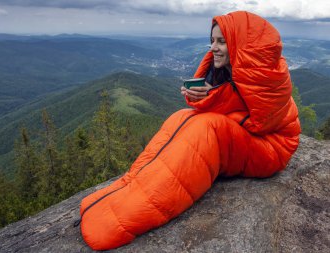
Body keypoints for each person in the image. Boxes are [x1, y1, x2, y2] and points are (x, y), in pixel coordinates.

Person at [77, 11, 301, 250]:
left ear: (241, 45)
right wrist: (206, 97)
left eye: (221, 41)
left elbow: (259, 122)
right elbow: (236, 109)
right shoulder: (236, 68)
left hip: (272, 145)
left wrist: (213, 98)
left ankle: (124, 219)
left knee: (207, 129)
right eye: (212, 40)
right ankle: (125, 189)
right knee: (182, 117)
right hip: (251, 138)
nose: (213, 47)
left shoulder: (268, 76)